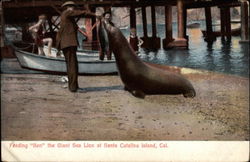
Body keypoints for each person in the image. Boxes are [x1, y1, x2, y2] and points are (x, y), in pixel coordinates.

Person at [56, 1, 98, 92]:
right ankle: (74, 88)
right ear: (68, 7)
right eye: (72, 7)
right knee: (73, 66)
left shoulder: (66, 16)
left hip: (66, 44)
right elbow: (81, 13)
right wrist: (94, 14)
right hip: (69, 44)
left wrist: (58, 47)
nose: (73, 8)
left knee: (71, 66)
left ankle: (73, 87)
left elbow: (60, 33)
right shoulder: (67, 13)